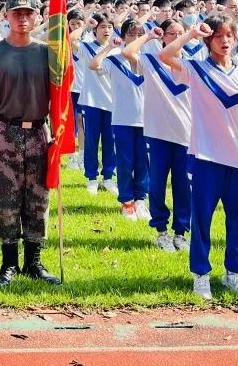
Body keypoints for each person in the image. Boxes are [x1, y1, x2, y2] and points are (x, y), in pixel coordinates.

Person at [160, 17, 238, 301]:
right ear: (208, 40)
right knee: (201, 220)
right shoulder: (196, 69)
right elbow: (165, 54)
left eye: (229, 35)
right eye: (218, 36)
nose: (225, 41)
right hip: (205, 158)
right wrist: (191, 32)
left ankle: (235, 274)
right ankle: (201, 275)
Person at [0, 0, 59, 288]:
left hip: (39, 133)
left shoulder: (47, 53)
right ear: (7, 17)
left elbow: (59, 96)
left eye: (28, 13)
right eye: (17, 13)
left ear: (37, 17)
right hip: (6, 133)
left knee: (38, 198)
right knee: (8, 199)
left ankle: (34, 262)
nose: (23, 18)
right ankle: (9, 263)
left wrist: (58, 134)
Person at [123, 20, 192, 252]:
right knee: (158, 185)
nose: (176, 37)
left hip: (186, 135)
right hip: (158, 133)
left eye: (181, 33)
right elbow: (128, 51)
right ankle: (161, 231)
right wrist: (149, 36)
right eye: (171, 33)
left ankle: (181, 232)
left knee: (184, 186)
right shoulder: (151, 62)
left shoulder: (193, 65)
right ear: (164, 37)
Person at [90, 18, 149, 220]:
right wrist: (108, 48)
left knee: (143, 162)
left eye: (140, 34)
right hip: (123, 119)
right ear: (123, 37)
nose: (136, 38)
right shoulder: (114, 60)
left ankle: (141, 199)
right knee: (125, 162)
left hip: (147, 121)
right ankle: (127, 201)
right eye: (131, 34)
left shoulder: (150, 60)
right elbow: (93, 64)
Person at [76, 15, 118, 196]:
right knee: (92, 141)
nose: (106, 30)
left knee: (110, 141)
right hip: (92, 101)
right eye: (102, 27)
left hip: (113, 103)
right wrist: (86, 23)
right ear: (95, 30)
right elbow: (69, 40)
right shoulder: (86, 46)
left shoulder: (119, 49)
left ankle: (108, 177)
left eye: (109, 26)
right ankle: (92, 178)